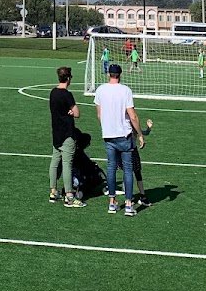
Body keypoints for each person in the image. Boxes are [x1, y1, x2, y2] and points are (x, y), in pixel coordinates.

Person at [93, 63, 142, 216]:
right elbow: (132, 116)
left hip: (109, 136)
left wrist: (107, 127)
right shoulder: (125, 90)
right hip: (124, 135)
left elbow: (99, 114)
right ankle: (128, 204)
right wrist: (140, 134)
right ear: (120, 75)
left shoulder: (101, 90)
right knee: (127, 170)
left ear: (109, 74)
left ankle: (112, 202)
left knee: (111, 168)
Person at [48, 66, 86, 208]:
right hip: (67, 134)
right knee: (67, 165)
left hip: (56, 133)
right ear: (68, 78)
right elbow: (77, 113)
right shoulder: (67, 94)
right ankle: (69, 196)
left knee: (54, 162)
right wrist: (70, 112)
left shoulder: (53, 92)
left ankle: (53, 191)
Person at [130, 117, 154, 207]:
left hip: (132, 150)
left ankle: (141, 196)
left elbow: (143, 133)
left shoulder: (131, 124)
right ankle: (130, 197)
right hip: (126, 151)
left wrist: (149, 128)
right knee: (129, 174)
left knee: (137, 173)